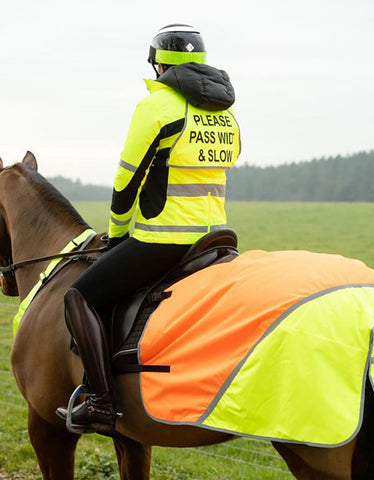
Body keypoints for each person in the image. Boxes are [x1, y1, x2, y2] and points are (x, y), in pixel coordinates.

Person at [56, 23, 241, 436]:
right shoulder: (226, 114)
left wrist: (118, 234)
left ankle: (101, 403)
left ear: (158, 62)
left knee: (80, 294)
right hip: (215, 238)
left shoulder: (155, 107)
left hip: (164, 240)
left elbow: (126, 183)